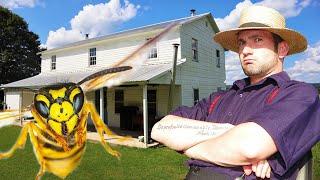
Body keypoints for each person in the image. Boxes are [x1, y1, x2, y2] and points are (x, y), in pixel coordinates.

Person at [151, 5, 320, 180]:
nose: (245, 50)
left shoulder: (299, 94)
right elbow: (161, 128)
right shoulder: (219, 97)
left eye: (257, 40)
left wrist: (188, 148)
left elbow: (249, 147)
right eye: (242, 43)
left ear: (282, 49)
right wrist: (228, 131)